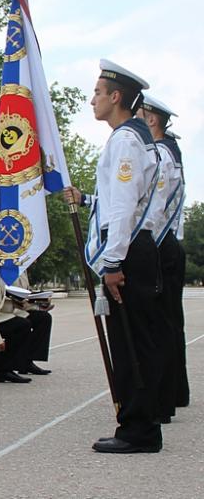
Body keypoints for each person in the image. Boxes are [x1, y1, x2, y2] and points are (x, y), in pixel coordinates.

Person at [64, 60, 166, 454]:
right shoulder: (134, 138)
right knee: (135, 338)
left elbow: (123, 209)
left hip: (127, 252)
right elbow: (116, 202)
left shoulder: (125, 141)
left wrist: (113, 263)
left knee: (130, 342)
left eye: (97, 93)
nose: (92, 100)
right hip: (134, 248)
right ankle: (142, 422)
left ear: (116, 96)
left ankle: (137, 430)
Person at [138, 94, 189, 412]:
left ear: (152, 120)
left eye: (140, 114)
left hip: (160, 243)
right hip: (169, 242)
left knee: (161, 324)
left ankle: (164, 396)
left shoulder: (160, 154)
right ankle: (174, 391)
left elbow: (152, 208)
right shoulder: (170, 152)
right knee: (170, 323)